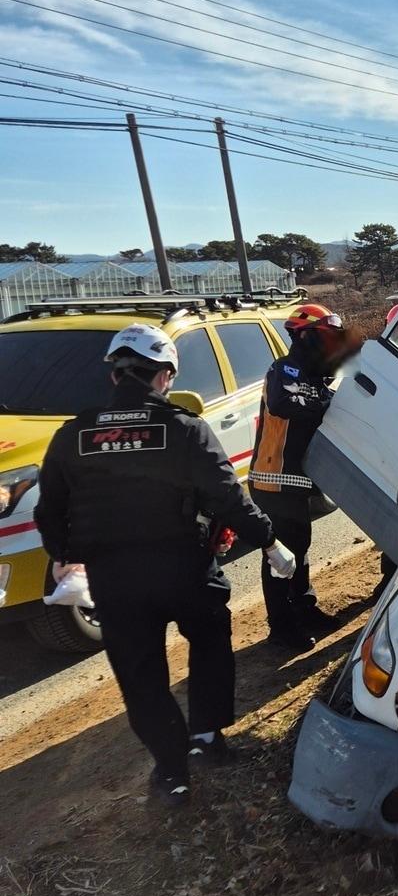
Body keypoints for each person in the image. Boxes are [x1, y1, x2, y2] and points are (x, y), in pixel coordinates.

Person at [34, 323, 296, 804]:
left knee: (140, 673)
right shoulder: (184, 428)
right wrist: (270, 543)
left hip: (115, 580)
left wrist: (63, 556)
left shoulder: (73, 435)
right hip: (185, 568)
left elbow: (49, 510)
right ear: (165, 376)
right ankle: (207, 739)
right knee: (210, 642)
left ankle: (172, 773)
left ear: (114, 375)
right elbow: (227, 498)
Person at [250, 302, 358, 652]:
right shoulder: (284, 370)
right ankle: (281, 628)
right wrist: (328, 403)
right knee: (281, 554)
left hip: (295, 479)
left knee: (301, 546)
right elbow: (284, 404)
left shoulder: (315, 377)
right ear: (306, 335)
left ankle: (304, 609)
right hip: (273, 476)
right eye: (327, 337)